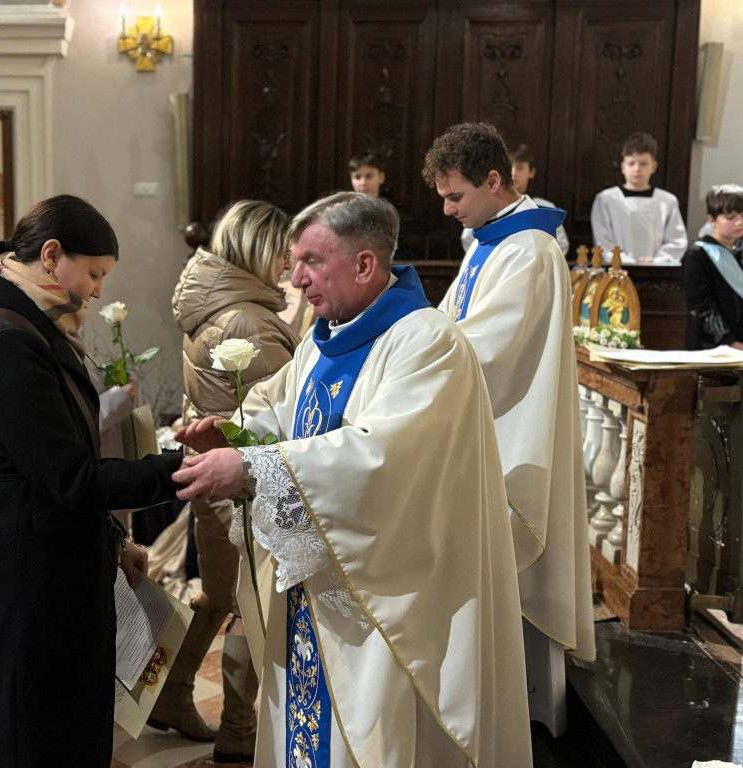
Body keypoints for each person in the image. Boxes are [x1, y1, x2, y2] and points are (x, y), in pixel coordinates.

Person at [174, 192, 532, 767]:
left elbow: (380, 458)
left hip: (386, 601)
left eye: (311, 262)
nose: (295, 279)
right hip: (318, 588)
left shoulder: (425, 342)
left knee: (374, 737)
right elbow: (286, 410)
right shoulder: (329, 334)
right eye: (295, 262)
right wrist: (238, 434)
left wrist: (252, 467)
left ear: (365, 265)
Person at [0, 194, 184, 768]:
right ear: (51, 255)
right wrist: (183, 470)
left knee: (61, 720)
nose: (97, 291)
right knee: (29, 730)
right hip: (23, 573)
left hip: (43, 554)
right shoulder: (4, 342)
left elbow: (55, 461)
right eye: (94, 273)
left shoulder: (29, 325)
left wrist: (114, 541)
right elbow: (71, 477)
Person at [424, 122, 596, 736]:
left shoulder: (529, 250)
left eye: (456, 196)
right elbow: (450, 319)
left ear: (494, 181)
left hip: (512, 432)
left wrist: (410, 358)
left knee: (513, 575)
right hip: (486, 426)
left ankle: (520, 720)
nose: (448, 210)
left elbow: (487, 346)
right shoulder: (490, 240)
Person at [164, 200, 299, 762]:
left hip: (214, 475)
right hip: (242, 483)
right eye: (283, 251)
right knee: (250, 600)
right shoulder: (246, 318)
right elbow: (287, 410)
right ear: (258, 249)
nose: (290, 262)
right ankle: (239, 731)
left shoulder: (215, 303)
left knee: (219, 592)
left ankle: (171, 691)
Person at [590, 131, 688, 265]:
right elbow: (603, 241)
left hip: (656, 269)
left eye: (643, 163)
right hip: (617, 268)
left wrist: (656, 261)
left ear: (653, 166)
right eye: (631, 163)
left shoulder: (667, 201)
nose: (637, 169)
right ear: (623, 167)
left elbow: (676, 241)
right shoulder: (606, 199)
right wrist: (626, 261)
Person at [460, 143, 570, 256]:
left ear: (531, 172)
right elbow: (468, 238)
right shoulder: (488, 206)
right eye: (509, 167)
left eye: (520, 168)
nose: (513, 173)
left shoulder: (546, 208)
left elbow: (561, 244)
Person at [682, 184, 743, 350]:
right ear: (712, 220)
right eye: (730, 217)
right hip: (711, 346)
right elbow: (702, 307)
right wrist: (729, 342)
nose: (739, 222)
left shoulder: (740, 250)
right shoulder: (697, 255)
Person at [348, 150, 417, 261]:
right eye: (357, 177)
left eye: (369, 176)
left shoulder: (392, 213)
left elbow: (405, 252)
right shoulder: (345, 212)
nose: (363, 183)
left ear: (381, 177)